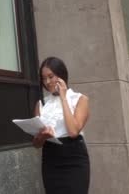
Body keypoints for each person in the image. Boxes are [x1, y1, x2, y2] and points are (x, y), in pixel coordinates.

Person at [32, 57, 90, 194]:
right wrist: (42, 136)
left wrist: (63, 97)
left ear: (61, 75)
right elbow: (36, 144)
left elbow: (73, 131)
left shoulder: (80, 99)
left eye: (50, 77)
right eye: (43, 78)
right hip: (51, 157)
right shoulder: (41, 104)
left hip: (74, 157)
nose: (47, 82)